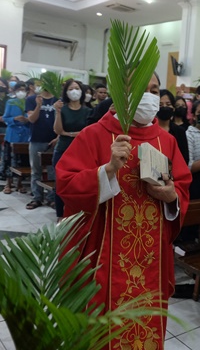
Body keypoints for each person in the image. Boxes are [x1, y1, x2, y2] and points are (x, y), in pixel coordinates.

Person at [56, 73, 192, 349]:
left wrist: (171, 197)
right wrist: (106, 170)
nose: (151, 96)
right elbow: (66, 184)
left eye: (154, 89)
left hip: (151, 260)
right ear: (119, 95)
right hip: (104, 258)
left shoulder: (165, 141)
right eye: (143, 89)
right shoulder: (93, 135)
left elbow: (181, 186)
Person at [52, 79, 92, 218]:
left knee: (80, 184)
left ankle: (76, 214)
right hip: (63, 149)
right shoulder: (62, 108)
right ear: (66, 92)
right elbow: (58, 130)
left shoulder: (88, 110)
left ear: (81, 91)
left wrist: (69, 133)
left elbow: (88, 131)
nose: (74, 91)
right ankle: (60, 215)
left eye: (77, 88)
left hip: (81, 152)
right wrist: (57, 112)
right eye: (71, 89)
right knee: (60, 184)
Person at [25, 81, 57, 209]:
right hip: (36, 139)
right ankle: (37, 197)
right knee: (36, 170)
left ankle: (51, 198)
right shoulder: (32, 99)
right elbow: (31, 119)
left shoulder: (58, 100)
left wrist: (58, 137)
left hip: (53, 140)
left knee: (52, 171)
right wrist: (39, 106)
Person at [1, 82, 30, 193]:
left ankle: (19, 184)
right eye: (19, 90)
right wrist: (14, 119)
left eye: (23, 90)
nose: (21, 92)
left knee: (23, 160)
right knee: (9, 159)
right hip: (12, 133)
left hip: (25, 134)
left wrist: (26, 120)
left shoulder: (29, 102)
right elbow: (5, 118)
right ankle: (8, 184)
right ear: (15, 91)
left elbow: (32, 118)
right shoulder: (11, 102)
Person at [157, 89, 189, 165]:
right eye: (160, 105)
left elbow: (184, 158)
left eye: (168, 104)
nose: (164, 107)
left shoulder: (180, 131)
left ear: (173, 108)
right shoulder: (149, 129)